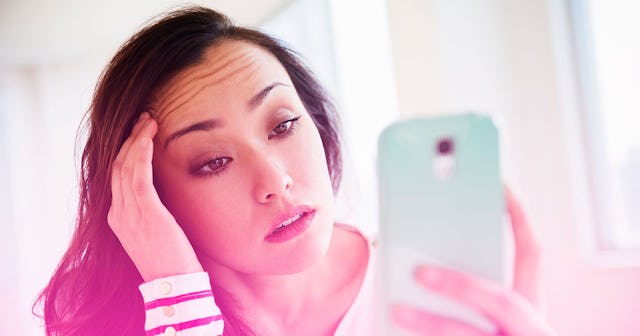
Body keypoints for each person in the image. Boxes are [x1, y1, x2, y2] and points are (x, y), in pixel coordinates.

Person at [35, 6, 555, 336]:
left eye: (283, 125)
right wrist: (178, 304)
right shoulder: (106, 324)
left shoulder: (432, 298)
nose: (275, 180)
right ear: (149, 197)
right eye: (213, 161)